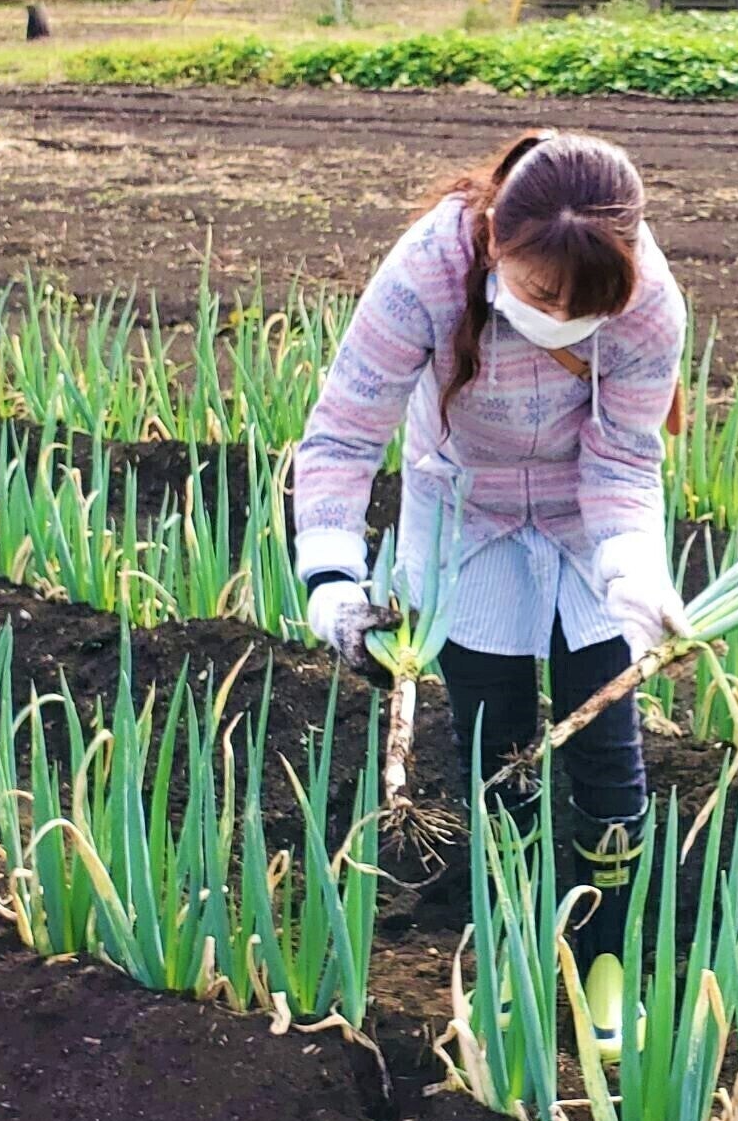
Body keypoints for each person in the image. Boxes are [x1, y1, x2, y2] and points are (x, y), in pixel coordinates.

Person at [293, 129, 688, 1054]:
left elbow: (626, 458)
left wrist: (632, 562)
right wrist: (330, 573)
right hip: (462, 509)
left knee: (606, 749)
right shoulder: (431, 264)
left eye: (582, 310)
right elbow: (346, 430)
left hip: (585, 520)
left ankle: (603, 966)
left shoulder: (649, 305)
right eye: (542, 295)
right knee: (496, 748)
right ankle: (512, 959)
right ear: (498, 246)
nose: (561, 317)